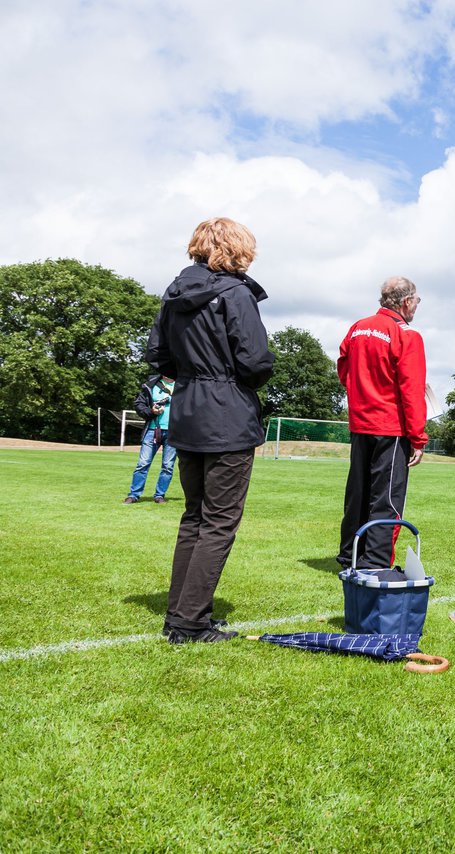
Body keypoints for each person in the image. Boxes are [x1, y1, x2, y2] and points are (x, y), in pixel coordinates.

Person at [147, 217, 275, 644]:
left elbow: (159, 355)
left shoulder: (173, 294)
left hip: (187, 410)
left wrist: (193, 375)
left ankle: (180, 613)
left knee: (195, 516)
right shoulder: (237, 293)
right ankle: (189, 622)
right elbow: (255, 361)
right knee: (218, 521)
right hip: (226, 414)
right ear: (235, 249)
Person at [336, 276, 428, 570]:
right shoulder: (407, 335)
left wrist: (362, 393)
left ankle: (350, 552)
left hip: (360, 422)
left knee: (358, 492)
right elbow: (411, 390)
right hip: (391, 426)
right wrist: (418, 437)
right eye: (417, 300)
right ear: (405, 302)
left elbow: (343, 367)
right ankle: (374, 561)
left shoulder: (358, 327)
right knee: (386, 497)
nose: (417, 306)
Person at [124, 375, 177, 504]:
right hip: (152, 430)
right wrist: (151, 411)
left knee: (168, 466)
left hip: (174, 432)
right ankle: (134, 495)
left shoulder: (184, 385)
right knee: (143, 464)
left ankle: (159, 495)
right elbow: (139, 405)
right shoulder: (151, 385)